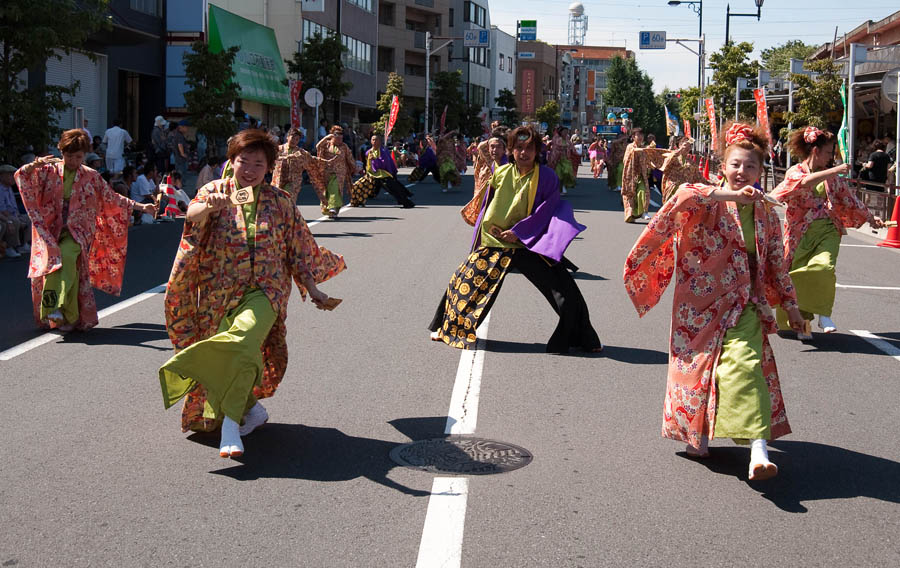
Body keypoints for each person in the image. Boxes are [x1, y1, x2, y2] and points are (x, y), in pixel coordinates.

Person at [624, 122, 804, 481]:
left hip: (744, 303)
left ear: (761, 170)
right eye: (736, 164)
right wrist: (729, 197)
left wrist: (792, 307)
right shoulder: (706, 198)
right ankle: (697, 433)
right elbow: (681, 198)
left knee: (746, 368)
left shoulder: (766, 213)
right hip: (698, 305)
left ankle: (758, 450)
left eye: (750, 166)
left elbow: (774, 264)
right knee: (695, 371)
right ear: (723, 166)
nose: (742, 172)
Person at [158, 129, 346, 458]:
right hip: (220, 293)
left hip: (266, 291)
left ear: (269, 168)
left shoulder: (281, 202)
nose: (250, 169)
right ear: (231, 162)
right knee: (239, 354)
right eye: (244, 161)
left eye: (259, 163)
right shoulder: (213, 191)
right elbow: (191, 217)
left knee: (242, 340)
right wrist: (207, 209)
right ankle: (252, 410)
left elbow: (296, 250)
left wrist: (313, 288)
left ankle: (230, 424)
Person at [427, 125, 603, 355]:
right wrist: (479, 241)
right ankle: (448, 328)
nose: (524, 153)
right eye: (518, 147)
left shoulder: (547, 176)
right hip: (496, 240)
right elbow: (486, 209)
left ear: (537, 150)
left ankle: (584, 338)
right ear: (511, 149)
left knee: (567, 293)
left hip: (529, 242)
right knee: (463, 283)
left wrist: (519, 232)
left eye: (529, 148)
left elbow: (547, 209)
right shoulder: (500, 173)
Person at [14, 129, 155, 331]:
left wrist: (141, 207)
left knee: (67, 259)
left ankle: (56, 308)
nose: (73, 160)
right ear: (61, 152)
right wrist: (32, 166)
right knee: (57, 265)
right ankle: (67, 315)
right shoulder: (48, 170)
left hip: (77, 231)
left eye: (78, 156)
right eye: (69, 155)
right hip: (50, 229)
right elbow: (21, 177)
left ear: (85, 155)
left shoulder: (91, 176)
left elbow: (112, 197)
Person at [771, 126, 883, 339]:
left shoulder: (832, 178)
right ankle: (804, 327)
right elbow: (800, 184)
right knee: (797, 278)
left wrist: (870, 217)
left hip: (828, 229)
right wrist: (833, 171)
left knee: (823, 266)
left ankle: (823, 313)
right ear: (815, 151)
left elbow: (849, 199)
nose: (832, 157)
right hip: (799, 234)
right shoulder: (795, 172)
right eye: (829, 152)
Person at [349, 134, 415, 208]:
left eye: (376, 140)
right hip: (371, 174)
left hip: (383, 174)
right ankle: (356, 202)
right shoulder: (368, 152)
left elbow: (385, 163)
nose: (374, 141)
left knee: (393, 189)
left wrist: (375, 159)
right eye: (373, 140)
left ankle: (406, 203)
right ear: (370, 141)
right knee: (357, 186)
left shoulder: (383, 151)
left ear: (380, 142)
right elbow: (367, 164)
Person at [461, 127, 508, 225]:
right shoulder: (490, 161)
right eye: (492, 147)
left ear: (505, 149)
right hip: (489, 192)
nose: (495, 150)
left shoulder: (510, 163)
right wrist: (495, 136)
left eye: (499, 147)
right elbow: (481, 147)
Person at [621, 128, 668, 223]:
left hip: (641, 175)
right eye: (638, 135)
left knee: (643, 191)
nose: (640, 137)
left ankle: (644, 212)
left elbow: (648, 160)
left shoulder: (644, 148)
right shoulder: (630, 147)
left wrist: (653, 166)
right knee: (631, 195)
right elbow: (629, 156)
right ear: (633, 137)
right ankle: (631, 214)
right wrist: (644, 150)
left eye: (642, 135)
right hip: (630, 175)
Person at [316, 125, 357, 218]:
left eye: (341, 136)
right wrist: (326, 138)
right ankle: (332, 210)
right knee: (327, 191)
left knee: (335, 189)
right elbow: (317, 147)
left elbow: (349, 158)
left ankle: (333, 208)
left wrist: (354, 167)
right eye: (337, 136)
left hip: (340, 173)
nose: (339, 138)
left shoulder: (344, 146)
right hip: (327, 172)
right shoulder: (326, 144)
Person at [659, 136, 706, 202]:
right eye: (685, 145)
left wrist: (713, 185)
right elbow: (665, 164)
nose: (687, 148)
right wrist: (680, 150)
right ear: (680, 145)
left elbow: (699, 177)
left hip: (686, 192)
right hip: (673, 189)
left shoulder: (691, 162)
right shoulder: (672, 155)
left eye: (690, 146)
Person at [0, 164, 31, 258]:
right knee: (14, 222)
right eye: (10, 175)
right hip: (5, 216)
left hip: (13, 214)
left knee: (31, 218)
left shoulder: (9, 188)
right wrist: (12, 218)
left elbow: (13, 206)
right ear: (2, 176)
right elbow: (2, 208)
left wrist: (18, 216)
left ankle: (24, 244)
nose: (13, 177)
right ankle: (10, 247)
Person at [547, 127, 576, 193]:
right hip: (557, 159)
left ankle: (564, 186)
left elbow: (571, 146)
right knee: (559, 175)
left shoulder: (567, 139)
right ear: (560, 132)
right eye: (564, 131)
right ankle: (560, 188)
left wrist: (574, 151)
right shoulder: (556, 138)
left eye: (567, 132)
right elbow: (557, 145)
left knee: (566, 172)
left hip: (565, 159)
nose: (566, 133)